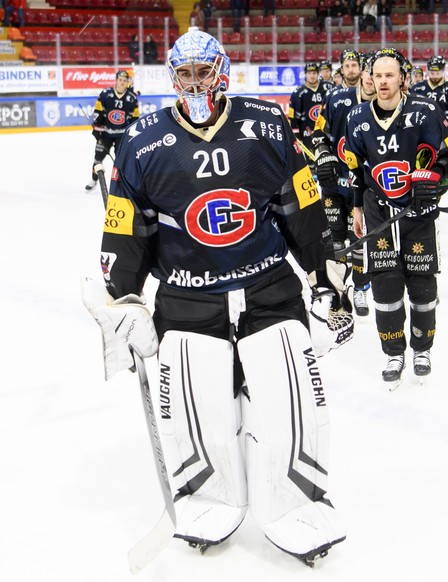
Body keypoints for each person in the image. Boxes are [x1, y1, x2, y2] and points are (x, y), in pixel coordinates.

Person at [84, 29, 350, 562]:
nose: (196, 83)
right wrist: (125, 298)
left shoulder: (267, 124)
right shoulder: (140, 142)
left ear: (222, 70)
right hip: (187, 299)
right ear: (172, 77)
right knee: (195, 406)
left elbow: (301, 204)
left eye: (204, 71)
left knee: (286, 397)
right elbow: (125, 226)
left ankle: (295, 503)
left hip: (267, 287)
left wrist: (325, 275)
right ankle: (209, 497)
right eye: (185, 73)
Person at [344, 48, 448, 386]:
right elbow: (356, 168)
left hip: (419, 215)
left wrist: (435, 177)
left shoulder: (426, 111)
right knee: (384, 291)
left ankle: (422, 350)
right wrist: (356, 208)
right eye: (378, 75)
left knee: (423, 288)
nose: (382, 81)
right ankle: (393, 354)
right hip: (378, 212)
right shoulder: (356, 118)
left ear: (403, 78)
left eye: (389, 75)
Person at [311, 49, 374, 316]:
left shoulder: (380, 103)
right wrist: (323, 154)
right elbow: (318, 133)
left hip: (362, 186)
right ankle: (337, 291)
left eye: (355, 65)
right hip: (334, 184)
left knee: (358, 240)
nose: (352, 70)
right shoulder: (335, 98)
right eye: (346, 65)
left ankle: (360, 289)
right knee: (333, 239)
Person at [84, 70, 139, 191]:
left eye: (125, 81)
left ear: (127, 82)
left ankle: (121, 183)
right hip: (106, 134)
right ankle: (94, 179)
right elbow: (98, 112)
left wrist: (132, 135)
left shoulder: (131, 98)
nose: (122, 82)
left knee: (121, 161)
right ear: (116, 80)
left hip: (122, 136)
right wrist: (97, 128)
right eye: (120, 80)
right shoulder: (105, 94)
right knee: (98, 158)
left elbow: (135, 118)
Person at [288, 62, 332, 155]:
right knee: (310, 164)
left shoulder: (328, 87)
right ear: (305, 74)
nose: (312, 76)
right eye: (309, 73)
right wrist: (297, 138)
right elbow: (293, 119)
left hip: (327, 133)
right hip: (307, 135)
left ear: (318, 73)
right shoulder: (298, 93)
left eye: (314, 73)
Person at [410, 54, 448, 122]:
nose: (434, 76)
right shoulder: (416, 89)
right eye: (432, 73)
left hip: (444, 129)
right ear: (428, 71)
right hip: (423, 128)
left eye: (437, 73)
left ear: (443, 71)